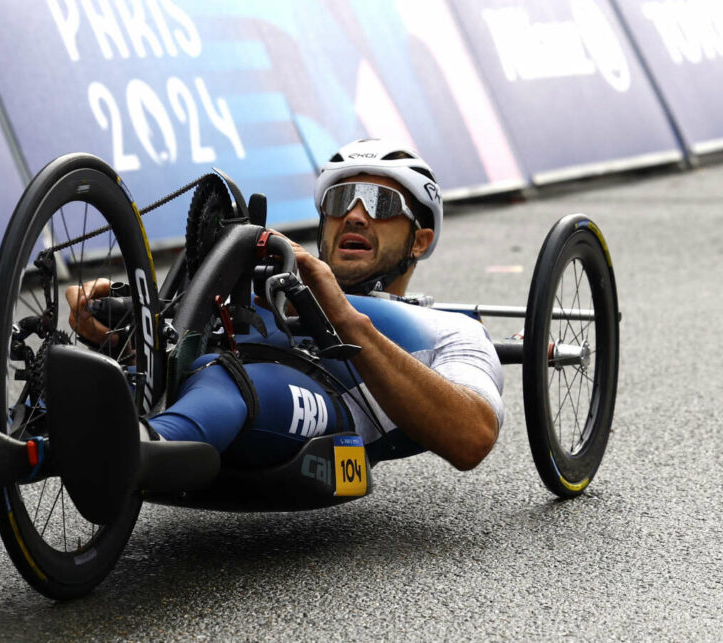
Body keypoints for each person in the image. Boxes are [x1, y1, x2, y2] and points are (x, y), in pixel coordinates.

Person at [68, 139, 503, 471]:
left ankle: (144, 449)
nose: (354, 215)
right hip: (201, 379)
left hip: (300, 398)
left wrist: (344, 317)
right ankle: (27, 443)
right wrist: (123, 323)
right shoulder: (268, 281)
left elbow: (472, 436)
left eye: (380, 203)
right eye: (339, 201)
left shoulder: (450, 330)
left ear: (420, 240)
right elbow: (181, 345)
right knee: (99, 379)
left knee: (231, 379)